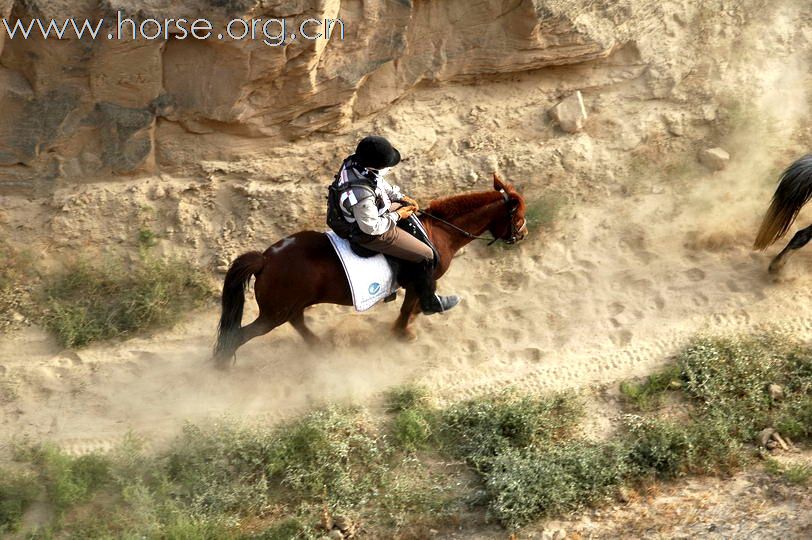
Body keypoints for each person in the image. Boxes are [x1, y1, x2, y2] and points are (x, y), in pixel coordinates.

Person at [327, 136, 460, 314]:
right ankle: (429, 302)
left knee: (406, 209)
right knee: (427, 255)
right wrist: (398, 215)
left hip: (376, 210)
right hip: (370, 233)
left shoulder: (355, 163)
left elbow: (378, 183)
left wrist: (400, 197)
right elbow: (371, 227)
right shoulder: (362, 195)